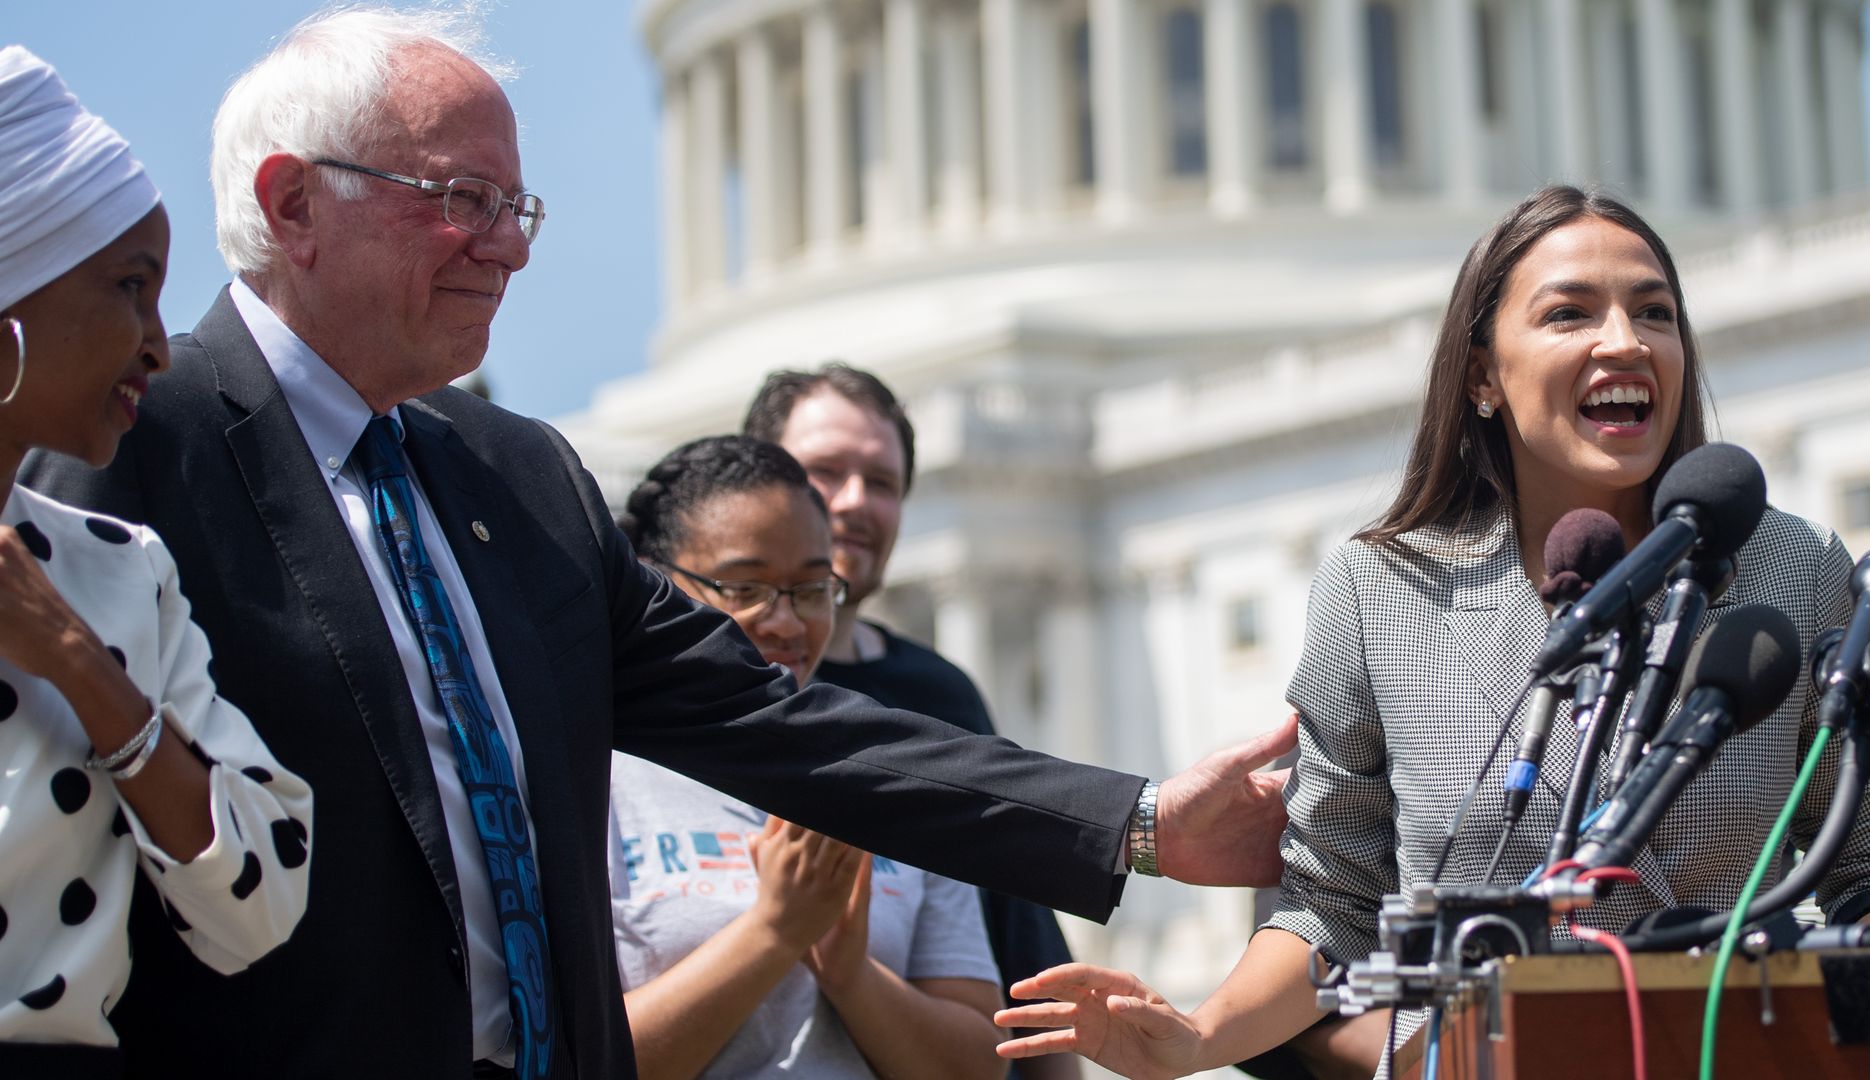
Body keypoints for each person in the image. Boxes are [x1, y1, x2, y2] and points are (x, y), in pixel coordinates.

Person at [20, 9, 1293, 1079]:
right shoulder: (133, 443)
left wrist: (1138, 822)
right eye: (462, 201)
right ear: (295, 204)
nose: (510, 246)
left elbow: (780, 722)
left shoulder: (515, 476)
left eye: (518, 205)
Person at [992, 186, 1870, 1079]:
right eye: (1569, 314)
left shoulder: (1792, 570)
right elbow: (1332, 907)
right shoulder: (1379, 592)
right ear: (1481, 373)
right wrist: (1195, 1037)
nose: (1624, 341)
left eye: (1655, 312)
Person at [0, 47, 313, 1077]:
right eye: (129, 289)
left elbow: (259, 903)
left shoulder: (119, 573)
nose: (159, 345)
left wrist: (81, 668)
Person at [609, 435, 1004, 1079]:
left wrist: (851, 974)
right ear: (654, 582)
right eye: (745, 587)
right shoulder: (595, 778)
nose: (786, 623)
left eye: (812, 588)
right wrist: (774, 932)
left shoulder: (896, 778)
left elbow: (977, 1067)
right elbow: (574, 1059)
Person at [743, 363, 1084, 1080]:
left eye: (883, 483)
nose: (855, 502)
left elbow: (1021, 927)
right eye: (826, 472)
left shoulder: (939, 693)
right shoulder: (717, 691)